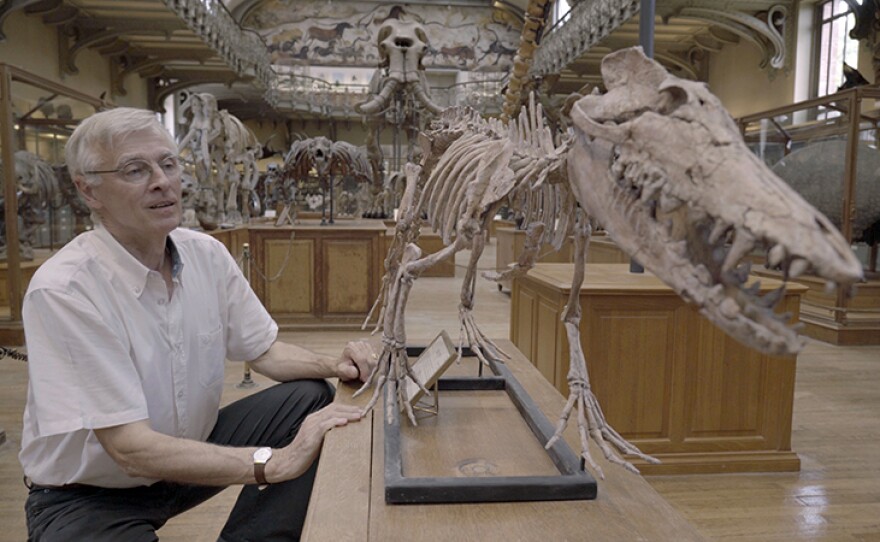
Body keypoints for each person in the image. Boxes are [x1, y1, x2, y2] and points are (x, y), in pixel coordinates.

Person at [19, 107, 377, 541]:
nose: (162, 181)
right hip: (88, 495)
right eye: (136, 170)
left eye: (168, 164)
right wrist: (274, 463)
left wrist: (335, 365)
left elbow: (265, 351)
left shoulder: (205, 253)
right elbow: (129, 449)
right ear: (88, 191)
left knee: (309, 398)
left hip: (183, 465)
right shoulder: (65, 290)